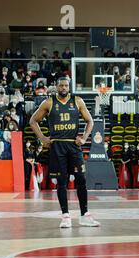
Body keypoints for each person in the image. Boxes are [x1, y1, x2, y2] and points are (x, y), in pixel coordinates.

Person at [29, 77, 100, 228]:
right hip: (57, 146)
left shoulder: (78, 101)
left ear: (69, 86)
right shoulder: (49, 102)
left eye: (66, 85)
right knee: (62, 182)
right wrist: (42, 138)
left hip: (74, 145)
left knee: (81, 179)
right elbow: (33, 121)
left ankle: (84, 215)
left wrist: (85, 138)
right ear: (56, 86)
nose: (63, 87)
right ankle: (65, 216)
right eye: (61, 85)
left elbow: (90, 121)